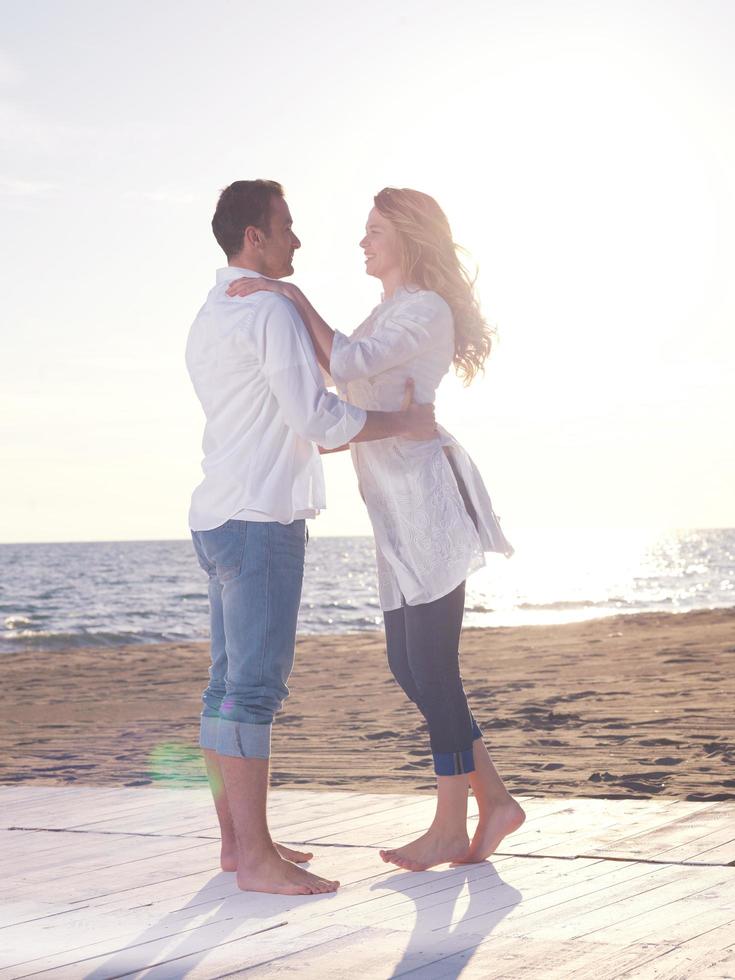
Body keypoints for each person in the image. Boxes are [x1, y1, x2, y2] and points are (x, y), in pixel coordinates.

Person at [226, 187, 526, 872]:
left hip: (427, 503)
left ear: (408, 239)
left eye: (373, 231)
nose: (361, 242)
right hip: (391, 514)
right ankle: (497, 801)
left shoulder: (424, 310)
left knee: (434, 671)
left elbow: (347, 365)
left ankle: (454, 823)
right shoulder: (387, 311)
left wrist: (288, 296)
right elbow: (341, 403)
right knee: (406, 665)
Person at [186, 179, 436, 895]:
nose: (297, 240)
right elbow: (320, 420)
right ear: (254, 238)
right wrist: (403, 425)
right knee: (253, 692)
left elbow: (280, 413)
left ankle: (240, 847)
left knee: (224, 689)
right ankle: (256, 861)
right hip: (261, 520)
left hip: (216, 515)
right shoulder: (266, 309)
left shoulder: (210, 311)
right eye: (286, 227)